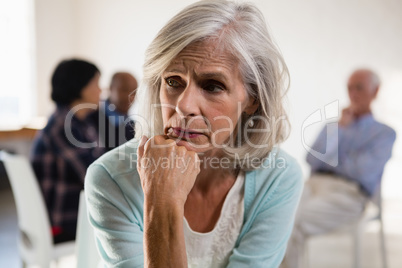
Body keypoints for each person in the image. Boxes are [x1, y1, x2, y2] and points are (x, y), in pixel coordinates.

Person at [85, 1, 303, 267]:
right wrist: (162, 201)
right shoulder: (111, 179)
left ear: (252, 100)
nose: (184, 105)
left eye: (212, 86)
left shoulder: (278, 178)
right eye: (173, 81)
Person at [281, 69, 396, 268]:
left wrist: (333, 160)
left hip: (349, 194)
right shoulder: (333, 127)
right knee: (277, 214)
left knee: (292, 224)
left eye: (359, 87)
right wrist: (340, 131)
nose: (353, 93)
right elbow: (311, 159)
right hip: (313, 185)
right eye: (350, 88)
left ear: (375, 91)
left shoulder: (384, 133)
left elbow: (363, 171)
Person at [31, 59, 107, 243]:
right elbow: (93, 175)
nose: (101, 90)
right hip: (63, 221)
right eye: (95, 83)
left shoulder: (78, 121)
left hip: (69, 213)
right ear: (79, 87)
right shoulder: (64, 126)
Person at [89, 72, 137, 151]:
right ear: (110, 88)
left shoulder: (133, 127)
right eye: (124, 90)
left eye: (134, 92)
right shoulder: (90, 118)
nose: (130, 97)